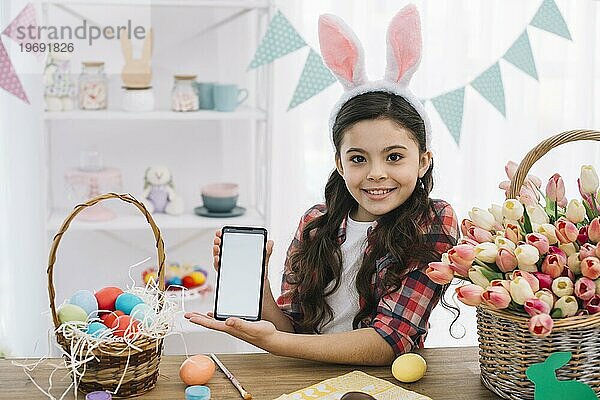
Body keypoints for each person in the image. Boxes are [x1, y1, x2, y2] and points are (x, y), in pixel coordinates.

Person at [185, 4, 459, 366]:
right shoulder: (316, 224)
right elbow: (292, 329)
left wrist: (277, 344)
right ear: (339, 164)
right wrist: (260, 287)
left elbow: (389, 341)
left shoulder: (433, 220)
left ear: (423, 161)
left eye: (394, 157)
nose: (376, 173)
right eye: (358, 158)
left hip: (385, 385)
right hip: (307, 381)